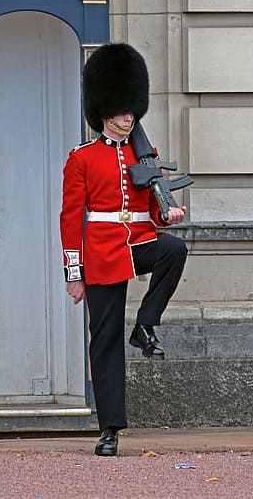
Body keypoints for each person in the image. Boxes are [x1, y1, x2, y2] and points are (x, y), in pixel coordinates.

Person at [60, 43, 188, 457]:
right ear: (103, 113)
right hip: (100, 252)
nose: (127, 117)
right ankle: (110, 429)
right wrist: (74, 273)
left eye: (130, 110)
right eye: (120, 111)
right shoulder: (82, 157)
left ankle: (146, 325)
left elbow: (152, 204)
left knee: (174, 250)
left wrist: (169, 213)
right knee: (105, 342)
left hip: (140, 242)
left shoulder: (143, 154)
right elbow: (70, 218)